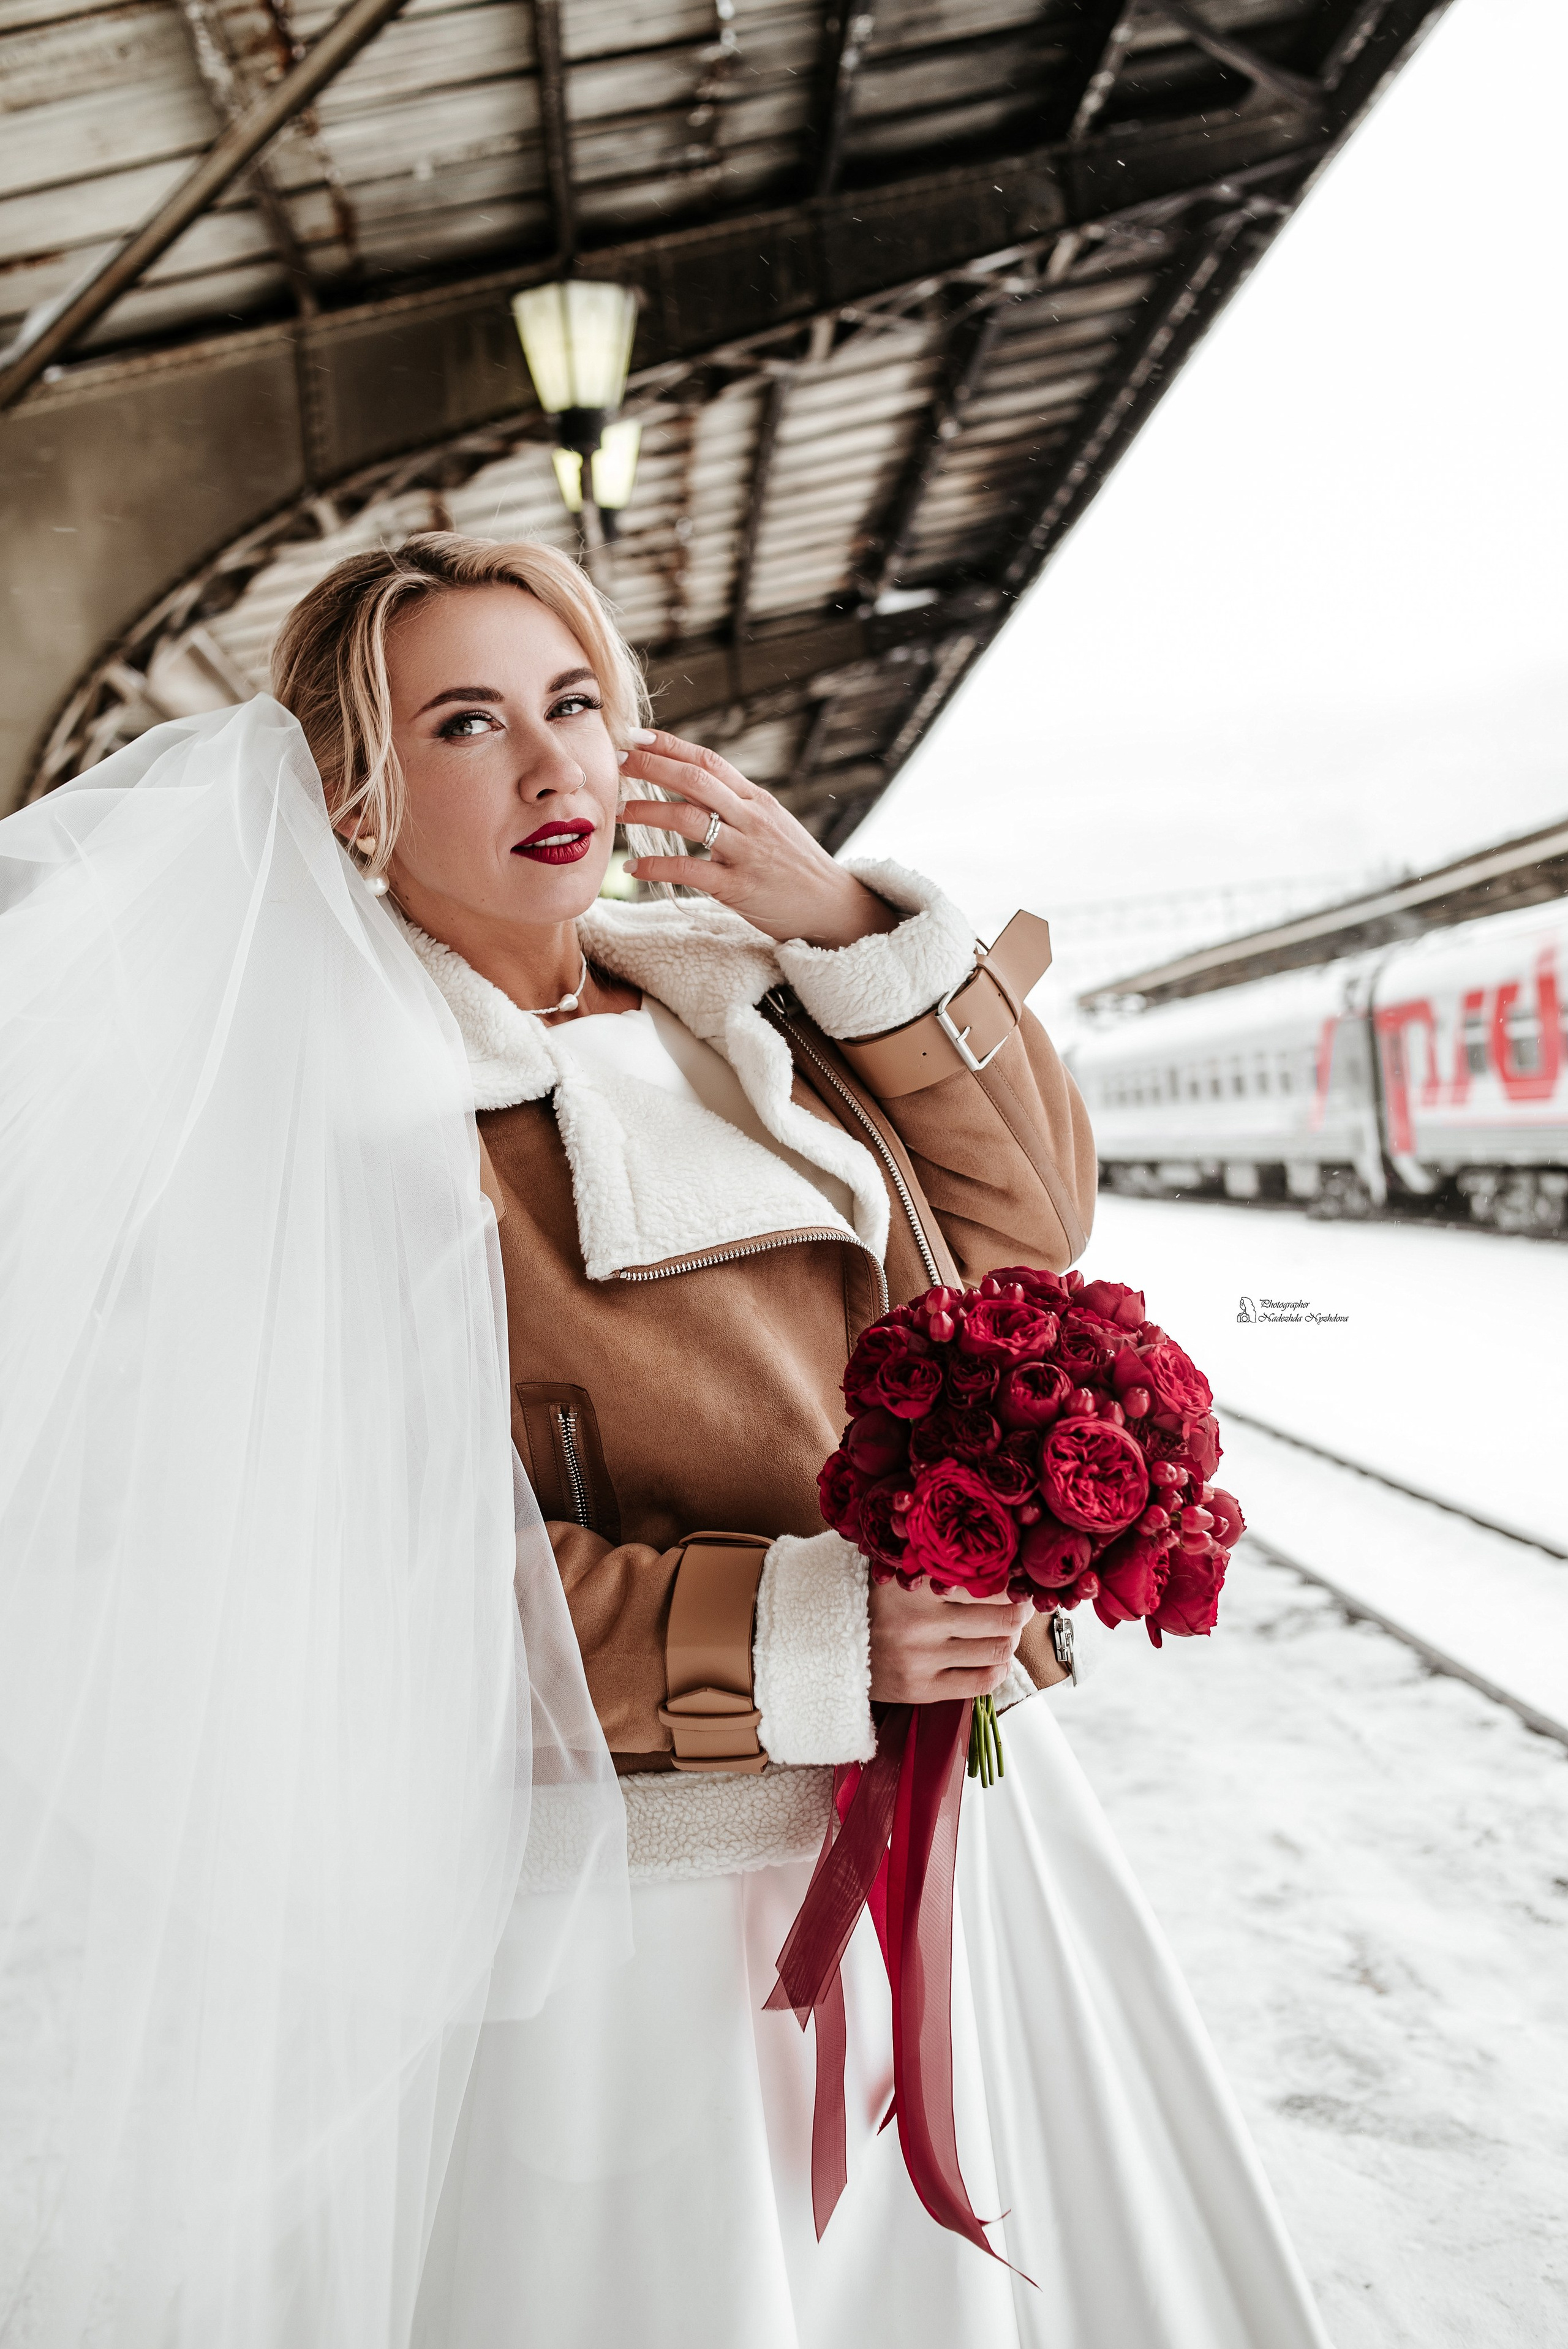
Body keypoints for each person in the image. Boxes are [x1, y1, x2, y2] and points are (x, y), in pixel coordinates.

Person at [0, 530, 1331, 2349]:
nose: (554, 767)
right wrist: (813, 1630)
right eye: (465, 723)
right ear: (352, 798)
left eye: (573, 703)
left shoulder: (752, 992)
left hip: (963, 1819)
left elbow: (1032, 1213)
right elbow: (361, 1578)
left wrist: (848, 927)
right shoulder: (327, 1126)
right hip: (657, 1911)